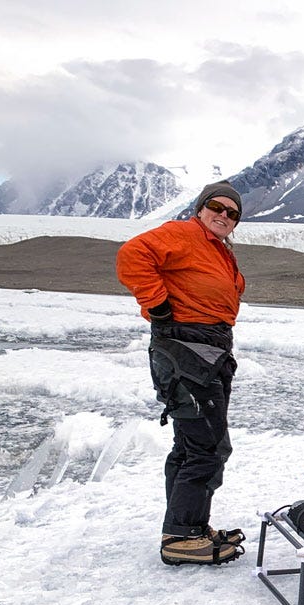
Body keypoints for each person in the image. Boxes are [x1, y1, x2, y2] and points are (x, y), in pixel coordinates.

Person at [116, 180, 247, 566]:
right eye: (217, 207)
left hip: (206, 350)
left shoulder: (214, 247)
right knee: (207, 447)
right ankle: (182, 535)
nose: (223, 215)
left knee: (193, 445)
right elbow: (132, 255)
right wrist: (156, 305)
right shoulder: (184, 234)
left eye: (232, 212)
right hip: (187, 350)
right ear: (201, 208)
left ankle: (187, 526)